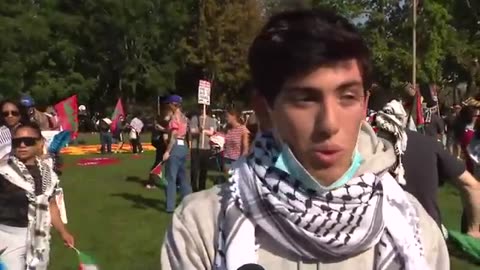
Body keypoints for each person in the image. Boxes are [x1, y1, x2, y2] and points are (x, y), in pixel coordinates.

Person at [162, 9, 447, 270]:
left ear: (364, 105)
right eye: (305, 99)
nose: (329, 124)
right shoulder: (203, 227)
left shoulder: (416, 229)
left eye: (347, 97)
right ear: (264, 110)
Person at [374, 99, 480, 238]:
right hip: (427, 236)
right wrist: (473, 231)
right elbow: (471, 185)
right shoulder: (429, 145)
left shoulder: (363, 146)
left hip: (377, 236)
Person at [0, 122, 74, 270]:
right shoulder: (4, 172)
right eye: (17, 141)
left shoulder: (48, 174)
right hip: (7, 237)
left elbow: (50, 205)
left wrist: (63, 232)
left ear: (40, 143)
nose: (22, 145)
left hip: (39, 237)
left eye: (28, 141)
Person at [162, 95, 191, 213]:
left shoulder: (174, 118)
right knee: (184, 178)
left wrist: (167, 152)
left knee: (171, 178)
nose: (168, 106)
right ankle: (189, 203)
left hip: (175, 148)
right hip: (183, 146)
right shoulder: (185, 118)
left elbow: (173, 136)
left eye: (169, 104)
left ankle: (170, 207)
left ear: (173, 104)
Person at [189, 105, 217, 192]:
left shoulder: (211, 120)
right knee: (194, 169)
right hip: (195, 147)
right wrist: (198, 130)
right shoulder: (194, 119)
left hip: (206, 147)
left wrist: (204, 130)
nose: (202, 110)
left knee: (203, 169)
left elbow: (212, 132)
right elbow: (192, 131)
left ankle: (202, 187)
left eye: (203, 108)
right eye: (200, 108)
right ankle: (193, 186)